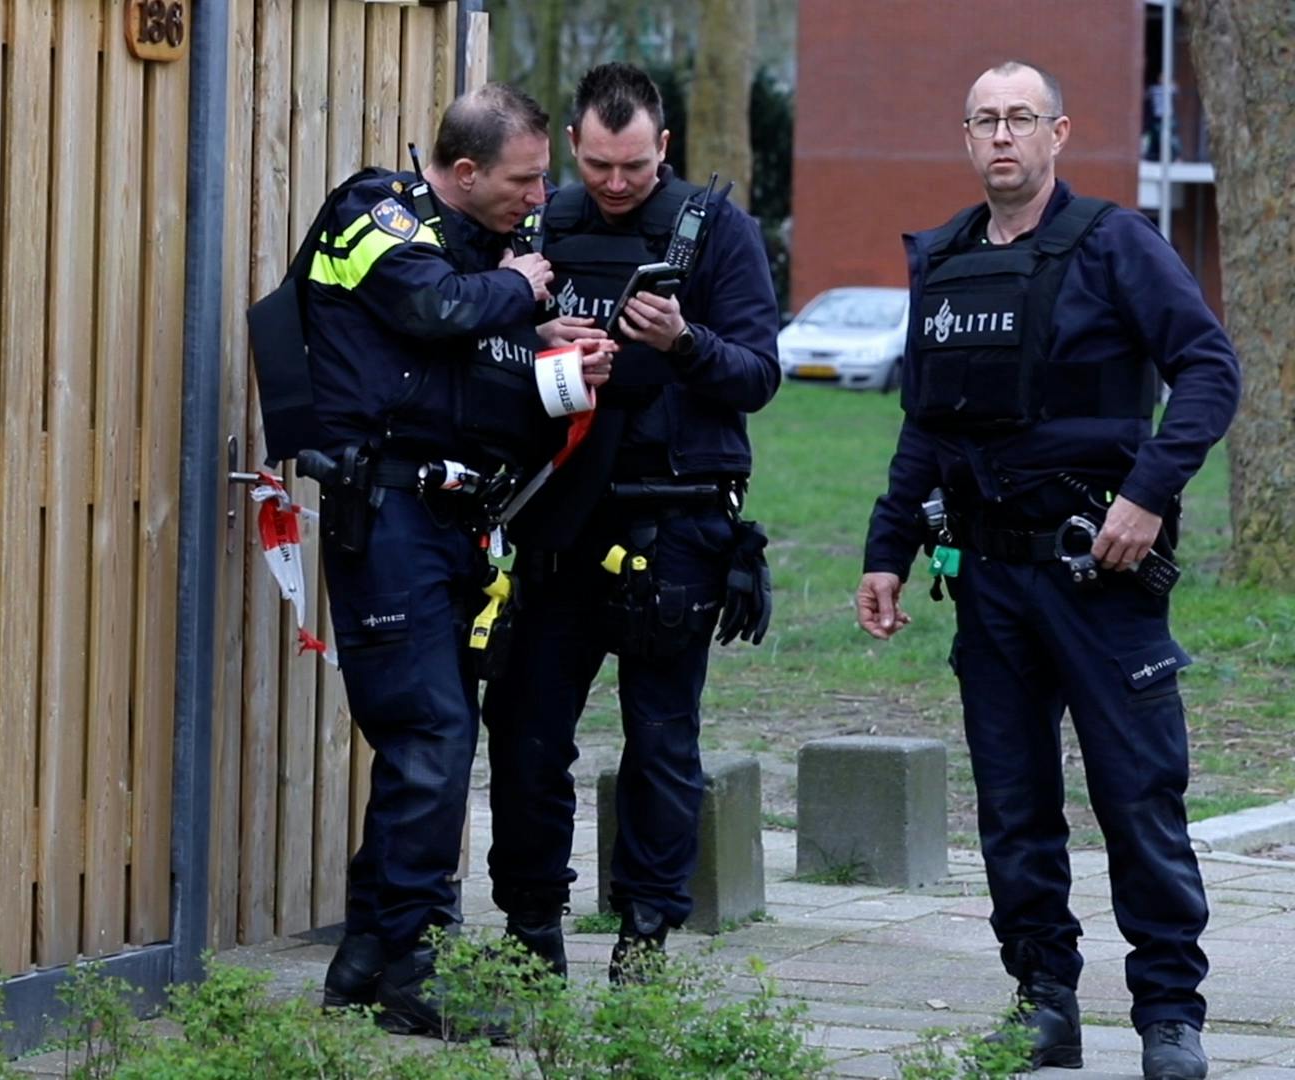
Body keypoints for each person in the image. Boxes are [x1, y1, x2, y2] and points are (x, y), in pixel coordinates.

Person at [855, 60, 1239, 1080]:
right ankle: (1042, 1006)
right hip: (990, 584)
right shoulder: (945, 259)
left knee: (1137, 799)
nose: (1003, 136)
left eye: (1022, 118)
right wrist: (886, 551)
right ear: (967, 137)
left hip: (1101, 581)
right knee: (1014, 806)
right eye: (985, 119)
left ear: (1059, 133)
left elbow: (1208, 367)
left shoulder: (1118, 245)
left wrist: (1148, 493)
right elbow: (926, 425)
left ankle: (1169, 1016)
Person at [264, 82, 611, 1038]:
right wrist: (523, 293)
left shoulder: (479, 261)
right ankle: (413, 971)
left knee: (431, 743)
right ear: (463, 172)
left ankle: (367, 961)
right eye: (525, 178)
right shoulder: (375, 214)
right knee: (432, 740)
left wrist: (557, 364)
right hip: (387, 520)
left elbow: (470, 374)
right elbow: (431, 308)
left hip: (455, 526)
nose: (539, 197)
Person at [483, 62, 781, 982]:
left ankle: (645, 937)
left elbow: (758, 377)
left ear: (666, 149)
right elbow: (478, 353)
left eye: (637, 167)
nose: (616, 185)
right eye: (601, 165)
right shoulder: (540, 225)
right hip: (559, 519)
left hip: (677, 525)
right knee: (526, 733)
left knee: (661, 743)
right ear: (575, 146)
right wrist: (540, 340)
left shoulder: (718, 229)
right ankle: (531, 932)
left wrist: (681, 343)